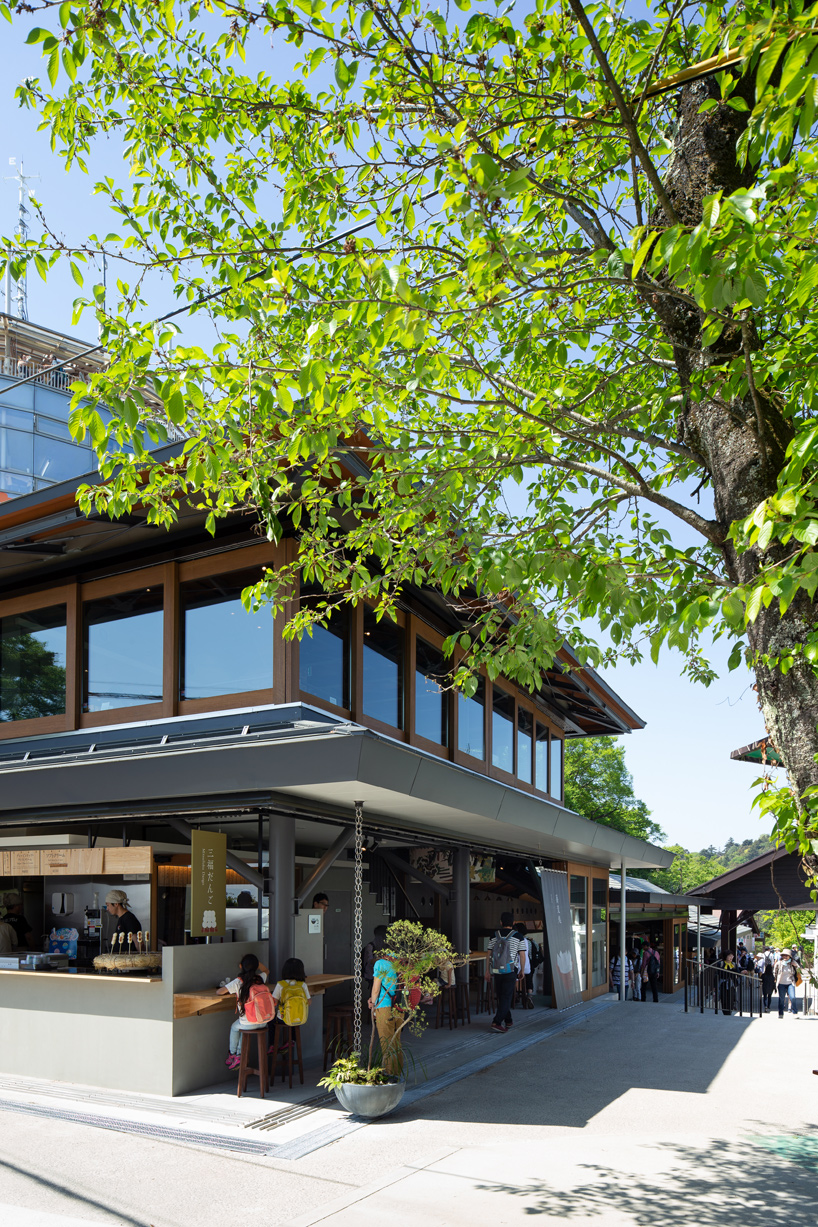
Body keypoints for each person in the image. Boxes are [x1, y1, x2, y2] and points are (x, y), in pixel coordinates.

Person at [216, 952, 272, 1069]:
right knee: (243, 1027)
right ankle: (238, 1055)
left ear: (241, 966)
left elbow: (219, 992)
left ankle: (233, 1054)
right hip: (264, 1021)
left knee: (236, 1027)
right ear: (256, 967)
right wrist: (257, 964)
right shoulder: (260, 978)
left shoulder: (238, 982)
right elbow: (267, 970)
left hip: (248, 1023)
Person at [486, 912, 524, 1034]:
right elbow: (522, 955)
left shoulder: (494, 936)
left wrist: (487, 970)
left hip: (497, 970)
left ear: (501, 923)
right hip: (510, 970)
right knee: (506, 997)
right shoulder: (519, 936)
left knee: (502, 996)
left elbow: (489, 954)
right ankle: (496, 1022)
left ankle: (508, 1020)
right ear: (513, 923)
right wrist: (522, 970)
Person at [368, 951, 403, 1075]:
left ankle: (389, 1075)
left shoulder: (381, 963)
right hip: (400, 1007)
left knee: (387, 1043)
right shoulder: (401, 962)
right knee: (396, 1041)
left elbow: (376, 988)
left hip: (384, 1007)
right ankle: (398, 1073)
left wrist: (373, 1005)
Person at [272, 957, 311, 1029]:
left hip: (282, 1018)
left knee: (271, 1022)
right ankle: (293, 1040)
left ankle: (272, 1040)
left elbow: (274, 1002)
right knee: (294, 1023)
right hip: (300, 1017)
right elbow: (309, 1002)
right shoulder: (302, 985)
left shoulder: (281, 984)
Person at [362, 924, 387, 1001]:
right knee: (374, 994)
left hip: (381, 974)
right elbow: (369, 961)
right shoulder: (371, 946)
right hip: (373, 975)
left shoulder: (386, 946)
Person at [774, 948, 799, 1018]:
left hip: (790, 982)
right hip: (781, 983)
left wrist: (795, 965)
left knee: (793, 997)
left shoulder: (793, 963)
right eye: (783, 955)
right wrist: (775, 981)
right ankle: (781, 1013)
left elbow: (800, 970)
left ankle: (795, 1012)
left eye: (786, 956)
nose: (785, 957)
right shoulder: (779, 963)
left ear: (790, 956)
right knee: (781, 999)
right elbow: (774, 972)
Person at [514, 922, 534, 1006]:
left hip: (518, 966)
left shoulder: (515, 940)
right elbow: (529, 954)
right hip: (526, 966)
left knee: (514, 977)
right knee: (528, 977)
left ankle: (516, 995)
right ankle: (529, 995)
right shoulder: (527, 941)